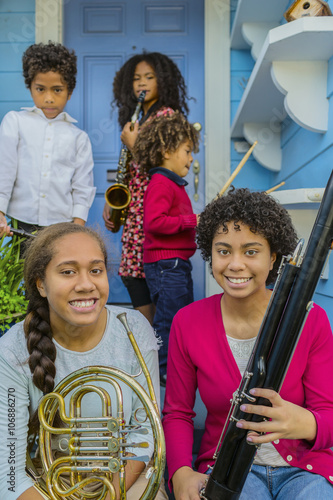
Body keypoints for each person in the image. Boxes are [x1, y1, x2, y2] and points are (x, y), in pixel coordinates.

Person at [162, 188, 333, 500]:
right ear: (209, 254)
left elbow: (327, 411)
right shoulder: (187, 322)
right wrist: (180, 472)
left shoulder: (311, 318)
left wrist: (305, 422)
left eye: (251, 252)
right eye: (223, 251)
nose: (235, 264)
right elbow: (177, 412)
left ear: (273, 259)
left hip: (304, 468)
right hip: (227, 468)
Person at [0, 223, 168, 500]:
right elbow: (8, 472)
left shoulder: (134, 329)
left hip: (125, 477)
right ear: (41, 284)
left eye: (96, 270)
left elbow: (145, 429)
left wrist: (109, 494)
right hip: (43, 484)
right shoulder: (12, 351)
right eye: (67, 272)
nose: (86, 284)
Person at [102, 52, 190, 326]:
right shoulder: (136, 117)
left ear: (163, 81)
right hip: (135, 205)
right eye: (137, 78)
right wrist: (115, 196)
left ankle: (157, 340)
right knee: (132, 272)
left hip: (153, 202)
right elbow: (130, 167)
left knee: (148, 272)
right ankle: (147, 338)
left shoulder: (168, 117)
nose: (142, 83)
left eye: (149, 77)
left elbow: (165, 164)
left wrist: (134, 144)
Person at [0, 42, 95, 239]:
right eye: (41, 89)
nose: (49, 98)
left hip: (61, 227)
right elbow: (4, 170)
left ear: (69, 92)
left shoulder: (79, 138)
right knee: (23, 270)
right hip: (20, 222)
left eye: (57, 90)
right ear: (30, 88)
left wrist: (77, 228)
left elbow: (82, 187)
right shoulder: (15, 122)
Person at [133, 111, 200, 384]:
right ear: (167, 150)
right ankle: (161, 370)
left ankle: (174, 366)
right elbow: (154, 223)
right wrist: (192, 220)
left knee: (181, 317)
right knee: (167, 320)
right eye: (187, 151)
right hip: (166, 265)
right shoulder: (161, 182)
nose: (191, 158)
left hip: (175, 263)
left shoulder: (174, 184)